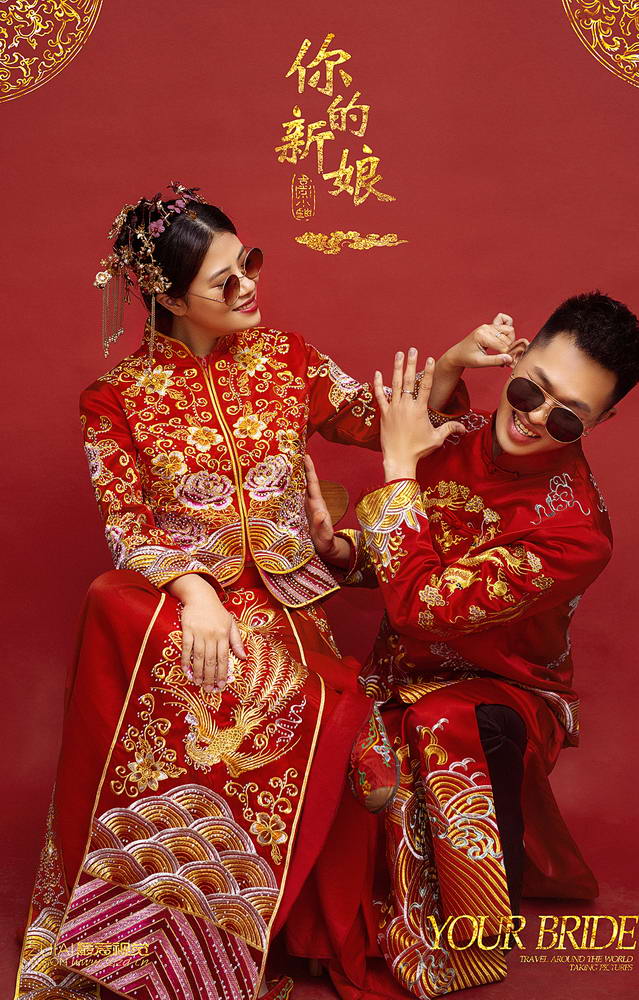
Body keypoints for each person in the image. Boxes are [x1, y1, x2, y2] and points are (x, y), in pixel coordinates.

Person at [12, 182, 471, 1000]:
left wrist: (453, 365)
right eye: (223, 280)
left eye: (248, 263)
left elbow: (374, 418)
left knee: (309, 714)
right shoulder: (116, 400)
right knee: (176, 669)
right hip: (183, 602)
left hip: (288, 603)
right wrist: (195, 594)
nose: (248, 286)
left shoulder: (287, 359)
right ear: (166, 297)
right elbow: (128, 527)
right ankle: (141, 940)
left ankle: (232, 943)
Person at [294, 293, 639, 998]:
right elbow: (409, 563)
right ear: (516, 360)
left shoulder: (576, 532)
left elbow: (424, 607)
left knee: (444, 719)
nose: (536, 417)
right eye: (531, 390)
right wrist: (339, 550)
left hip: (505, 694)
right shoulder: (453, 437)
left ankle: (474, 928)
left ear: (600, 423)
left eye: (567, 416)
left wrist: (399, 470)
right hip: (396, 673)